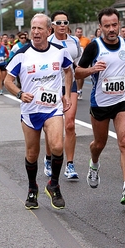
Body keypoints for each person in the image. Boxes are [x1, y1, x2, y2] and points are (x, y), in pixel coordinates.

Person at [4, 13, 73, 210]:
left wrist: (67, 93)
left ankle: (53, 185)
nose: (35, 32)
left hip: (52, 109)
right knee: (32, 154)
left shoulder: (60, 52)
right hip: (30, 111)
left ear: (48, 31)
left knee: (58, 146)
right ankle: (32, 187)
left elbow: (68, 70)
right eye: (33, 28)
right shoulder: (21, 54)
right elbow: (7, 81)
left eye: (40, 28)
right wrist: (19, 94)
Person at [75, 7, 125, 205]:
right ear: (100, 27)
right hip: (101, 103)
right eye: (107, 26)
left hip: (122, 100)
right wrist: (93, 69)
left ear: (119, 24)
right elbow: (77, 72)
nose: (111, 29)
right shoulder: (94, 47)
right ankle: (94, 164)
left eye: (114, 25)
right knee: (99, 144)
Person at [43, 10, 82, 180]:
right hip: (51, 86)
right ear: (52, 26)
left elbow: (78, 64)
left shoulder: (74, 41)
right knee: (51, 126)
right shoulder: (47, 42)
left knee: (70, 124)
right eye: (58, 23)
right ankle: (49, 158)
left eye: (65, 22)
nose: (62, 26)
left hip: (69, 85)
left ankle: (70, 165)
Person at [74, 26, 91, 100]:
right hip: (74, 59)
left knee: (81, 76)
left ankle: (79, 90)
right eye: (78, 32)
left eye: (80, 32)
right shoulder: (72, 39)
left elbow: (90, 49)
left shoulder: (86, 40)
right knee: (74, 76)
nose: (79, 33)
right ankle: (74, 90)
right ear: (75, 32)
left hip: (82, 60)